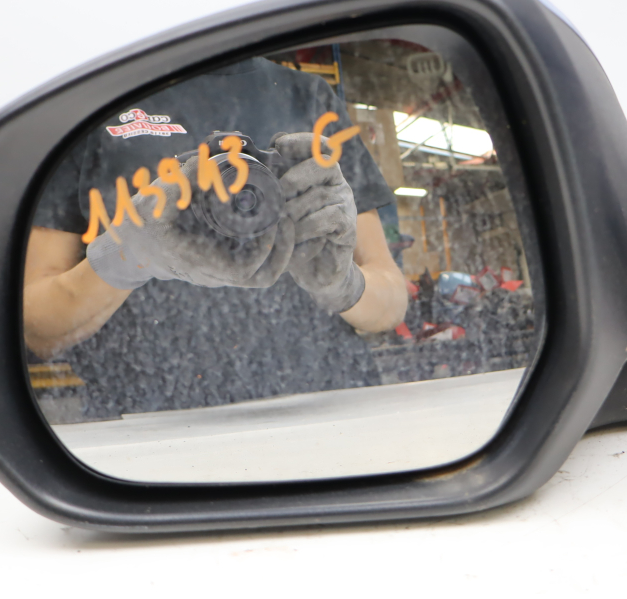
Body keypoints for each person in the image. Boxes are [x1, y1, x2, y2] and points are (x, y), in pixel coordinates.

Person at [22, 56, 407, 419]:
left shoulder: (309, 98)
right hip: (148, 428)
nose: (240, 199)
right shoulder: (92, 102)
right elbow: (36, 326)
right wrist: (129, 253)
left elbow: (391, 304)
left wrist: (341, 283)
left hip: (326, 410)